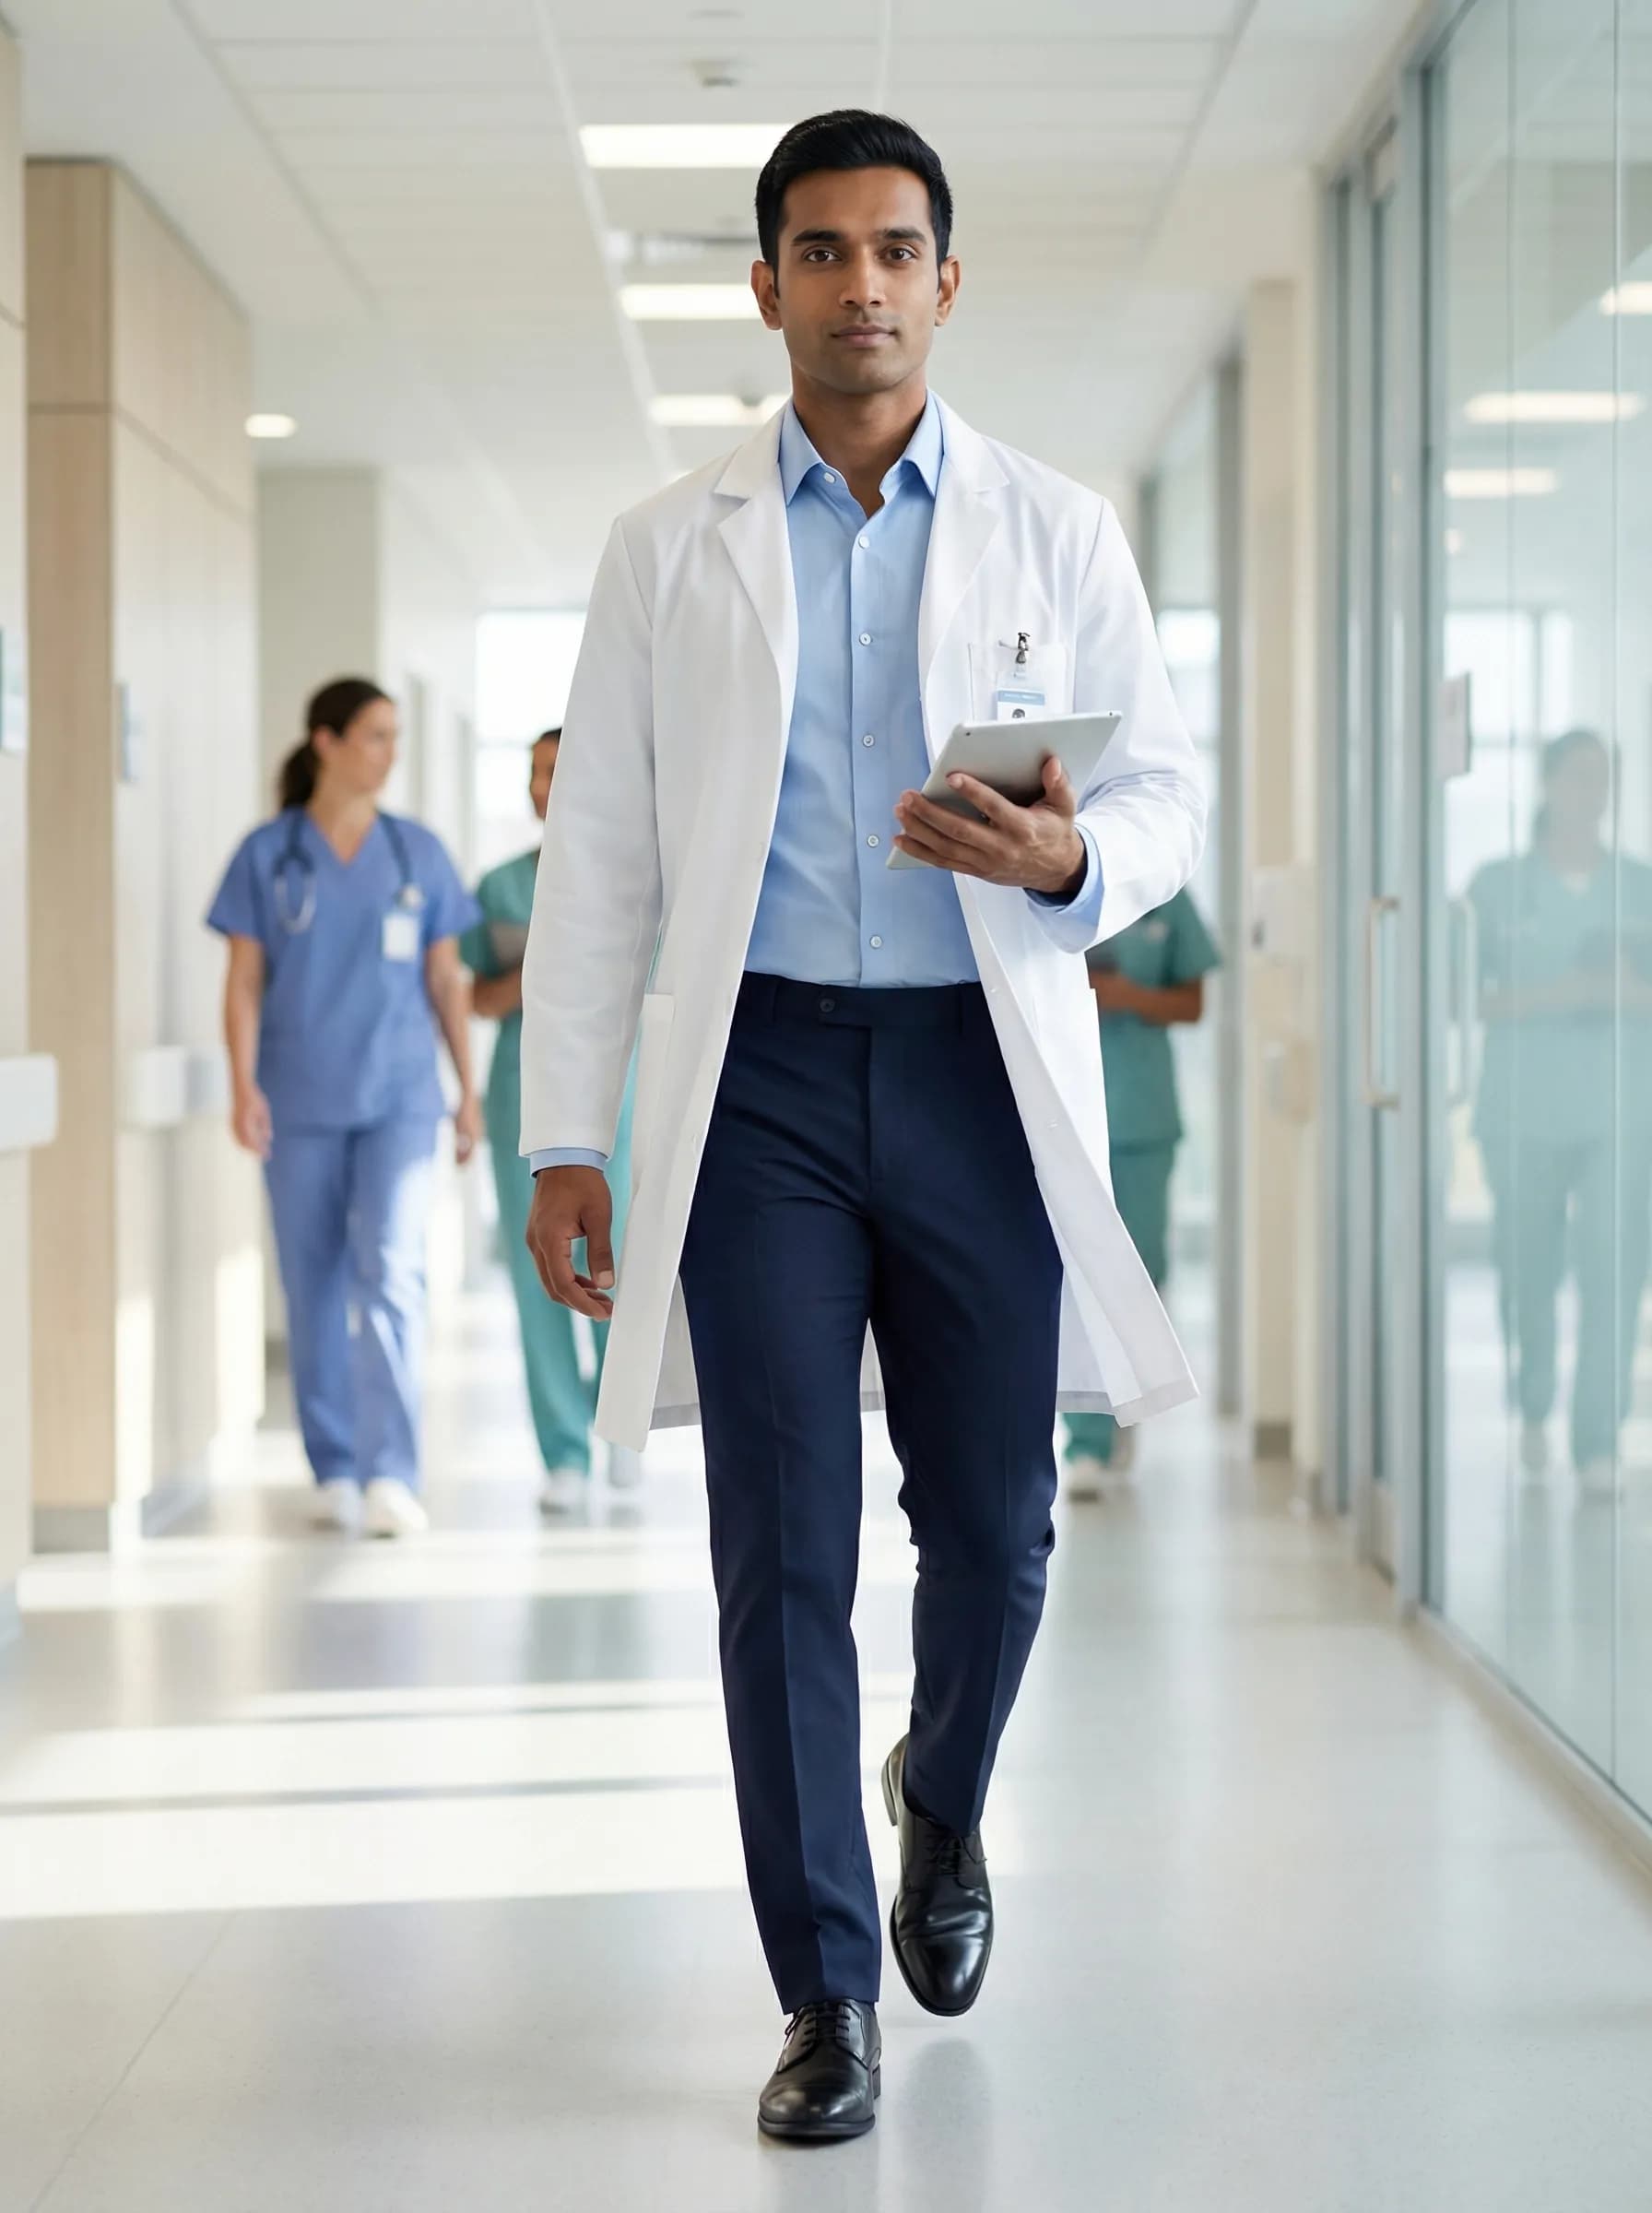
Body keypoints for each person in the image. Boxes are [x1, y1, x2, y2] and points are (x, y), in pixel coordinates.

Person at [519, 112, 1204, 2141]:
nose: (860, 284)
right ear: (766, 288)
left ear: (945, 281)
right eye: (818, 251)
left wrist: (1071, 855)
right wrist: (567, 1133)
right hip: (760, 1092)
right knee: (778, 1542)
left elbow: (1163, 793)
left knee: (993, 1526)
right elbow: (605, 856)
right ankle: (823, 1990)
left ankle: (944, 1793)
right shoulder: (669, 546)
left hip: (982, 1074)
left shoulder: (1053, 528)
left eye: (895, 249)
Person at [207, 677, 482, 1539]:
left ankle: (392, 1470)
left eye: (395, 736)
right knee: (313, 1280)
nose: (390, 753)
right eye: (375, 735)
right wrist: (242, 1083)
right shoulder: (268, 854)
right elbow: (243, 981)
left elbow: (447, 981)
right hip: (299, 1098)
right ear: (325, 742)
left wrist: (467, 1092)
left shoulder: (416, 852)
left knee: (393, 1271)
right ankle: (333, 1465)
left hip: (399, 1097)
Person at [1469, 728, 1652, 1496]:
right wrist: (1566, 995)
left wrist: (1625, 996)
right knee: (1528, 1270)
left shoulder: (1639, 885)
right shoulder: (1496, 887)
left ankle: (1599, 1438)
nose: (1592, 792)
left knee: (1615, 1271)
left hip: (1619, 1112)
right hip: (1524, 1109)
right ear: (1547, 784)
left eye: (1604, 778)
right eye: (1579, 776)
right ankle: (1535, 1401)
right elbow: (1465, 998)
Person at [463, 730, 640, 1511]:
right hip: (522, 1096)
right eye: (536, 773)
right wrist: (547, 965)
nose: (545, 787)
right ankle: (563, 1450)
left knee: (618, 1264)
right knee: (539, 1273)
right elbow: (478, 997)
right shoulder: (501, 887)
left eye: (559, 771)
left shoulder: (637, 878)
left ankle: (620, 1427)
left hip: (624, 1096)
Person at [1063, 890, 1220, 1497]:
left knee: (1139, 1273)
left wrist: (1128, 996)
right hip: (1065, 1113)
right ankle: (1088, 1440)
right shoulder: (1036, 874)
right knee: (1078, 1281)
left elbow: (1193, 1003)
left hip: (1141, 1117)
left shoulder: (1163, 891)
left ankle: (1121, 1406)